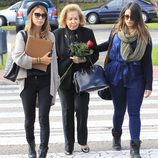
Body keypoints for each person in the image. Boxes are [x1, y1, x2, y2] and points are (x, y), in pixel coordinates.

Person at [98, 2, 153, 158]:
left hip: (136, 77)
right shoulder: (116, 30)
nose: (128, 19)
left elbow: (147, 61)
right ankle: (116, 135)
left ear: (137, 18)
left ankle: (135, 147)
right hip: (116, 75)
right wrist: (91, 47)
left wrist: (149, 84)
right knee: (119, 110)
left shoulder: (144, 36)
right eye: (126, 16)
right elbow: (108, 46)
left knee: (134, 112)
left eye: (132, 17)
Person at [12, 2, 60, 158]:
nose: (40, 18)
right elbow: (18, 58)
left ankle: (43, 152)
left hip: (46, 81)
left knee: (44, 117)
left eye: (43, 15)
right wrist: (39, 59)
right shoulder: (22, 35)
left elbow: (54, 62)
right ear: (30, 16)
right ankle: (31, 147)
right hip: (28, 81)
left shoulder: (51, 36)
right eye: (37, 14)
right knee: (29, 119)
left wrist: (56, 80)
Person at [53, 4, 99, 155]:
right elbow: (54, 58)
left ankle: (83, 140)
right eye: (70, 19)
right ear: (64, 20)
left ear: (80, 19)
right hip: (64, 80)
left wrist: (83, 59)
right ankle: (69, 144)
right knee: (67, 111)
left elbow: (95, 54)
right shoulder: (57, 34)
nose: (73, 21)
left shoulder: (87, 33)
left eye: (76, 18)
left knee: (81, 109)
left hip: (83, 80)